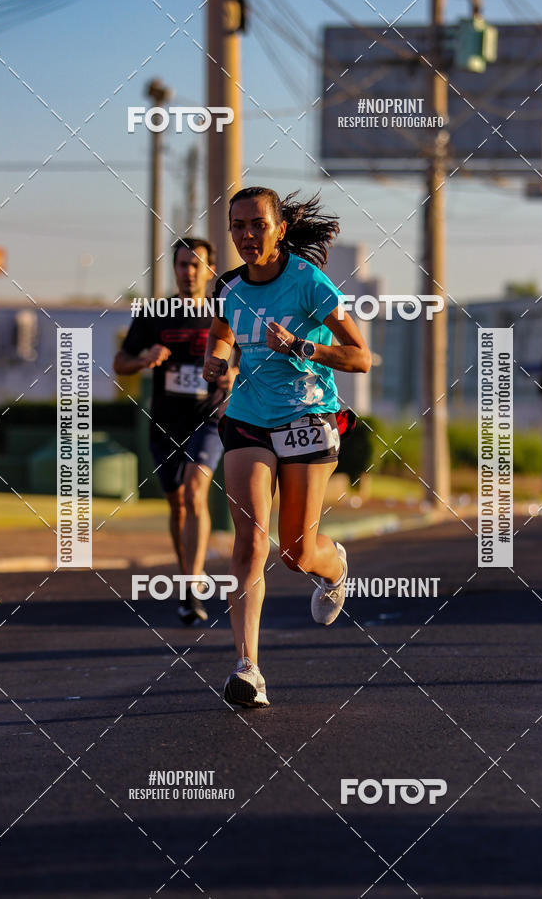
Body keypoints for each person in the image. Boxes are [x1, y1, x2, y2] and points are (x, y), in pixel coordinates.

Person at [203, 187, 371, 708]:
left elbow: (360, 357)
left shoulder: (308, 283)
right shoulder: (227, 287)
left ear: (279, 229)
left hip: (308, 415)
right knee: (250, 543)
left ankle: (333, 566)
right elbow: (223, 333)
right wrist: (218, 361)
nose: (247, 235)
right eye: (237, 226)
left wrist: (302, 345)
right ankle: (248, 669)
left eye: (257, 224)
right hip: (249, 418)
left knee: (297, 553)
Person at [114, 237, 237, 625]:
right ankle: (186, 583)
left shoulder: (226, 311)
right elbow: (120, 362)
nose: (189, 272)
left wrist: (234, 374)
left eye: (196, 265)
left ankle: (194, 582)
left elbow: (248, 356)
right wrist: (143, 358)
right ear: (175, 269)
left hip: (209, 418)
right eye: (183, 264)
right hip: (166, 421)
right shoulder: (156, 314)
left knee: (194, 489)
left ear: (209, 270)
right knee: (177, 503)